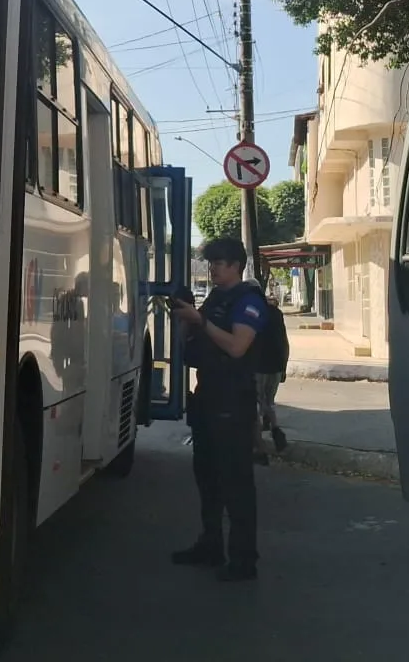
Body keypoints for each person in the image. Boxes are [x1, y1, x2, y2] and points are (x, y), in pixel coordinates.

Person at [169, 237, 268, 581]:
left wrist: (200, 320)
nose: (213, 269)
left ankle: (243, 561)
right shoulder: (215, 299)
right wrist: (186, 319)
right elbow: (195, 345)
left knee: (236, 484)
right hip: (208, 396)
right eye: (211, 263)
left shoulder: (248, 301)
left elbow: (238, 347)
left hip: (233, 400)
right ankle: (211, 545)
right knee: (207, 478)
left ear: (237, 265)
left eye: (220, 263)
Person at [253, 288, 289, 461]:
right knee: (269, 402)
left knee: (256, 404)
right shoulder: (277, 314)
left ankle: (259, 446)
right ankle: (275, 430)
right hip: (275, 365)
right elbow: (284, 341)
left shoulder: (252, 313)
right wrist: (284, 367)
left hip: (259, 365)